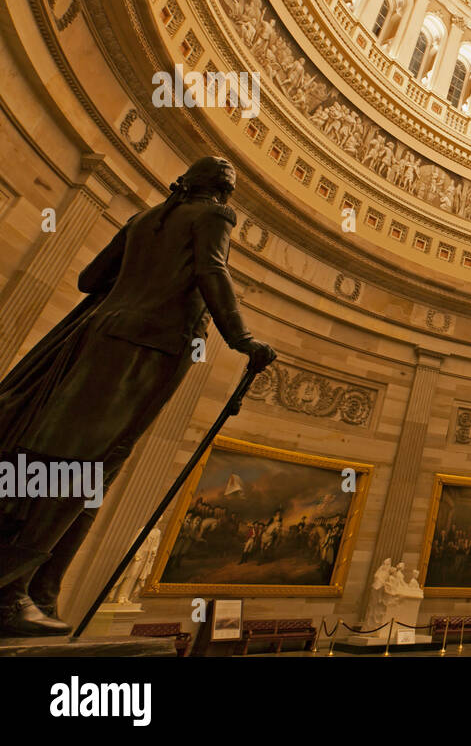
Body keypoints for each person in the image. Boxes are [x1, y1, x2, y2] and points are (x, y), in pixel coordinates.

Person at [0, 157, 276, 635]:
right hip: (145, 350)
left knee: (82, 460)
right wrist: (241, 339)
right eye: (227, 190)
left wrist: (142, 280)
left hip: (94, 340)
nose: (227, 198)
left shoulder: (144, 218)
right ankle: (10, 590)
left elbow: (89, 280)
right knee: (88, 464)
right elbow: (213, 272)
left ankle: (43, 591)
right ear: (219, 193)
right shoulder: (213, 216)